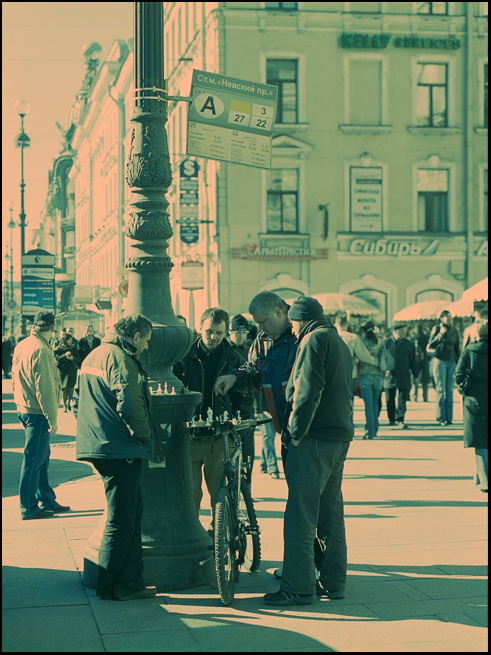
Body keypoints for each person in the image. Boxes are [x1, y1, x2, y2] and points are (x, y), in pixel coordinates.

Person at [263, 296, 354, 606]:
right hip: (337, 437)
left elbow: (308, 391)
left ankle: (298, 588)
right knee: (331, 514)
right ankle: (334, 583)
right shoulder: (337, 340)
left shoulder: (313, 340)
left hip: (314, 439)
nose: (292, 328)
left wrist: (295, 432)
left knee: (300, 517)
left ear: (301, 319)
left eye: (293, 322)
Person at [75, 314, 160, 601]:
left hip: (102, 444)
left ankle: (130, 582)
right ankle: (109, 585)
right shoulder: (120, 358)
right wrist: (144, 436)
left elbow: (78, 400)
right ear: (135, 337)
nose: (146, 347)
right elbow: (130, 403)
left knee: (131, 513)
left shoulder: (95, 355)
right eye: (146, 340)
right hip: (120, 447)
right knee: (122, 520)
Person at [173, 308, 252, 518]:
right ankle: (192, 533)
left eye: (219, 332)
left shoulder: (234, 359)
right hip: (190, 436)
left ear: (226, 332)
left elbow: (244, 400)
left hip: (220, 438)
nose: (213, 337)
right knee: (189, 496)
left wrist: (239, 432)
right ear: (199, 328)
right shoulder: (183, 356)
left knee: (220, 496)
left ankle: (218, 532)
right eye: (209, 331)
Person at [215, 291, 298, 474]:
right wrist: (234, 377)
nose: (261, 328)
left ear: (278, 312)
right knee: (296, 485)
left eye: (264, 321)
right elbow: (254, 372)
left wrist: (301, 429)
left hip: (307, 431)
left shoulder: (300, 334)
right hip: (287, 430)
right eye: (258, 323)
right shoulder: (263, 340)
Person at [11, 311, 70, 520]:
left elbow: (15, 378)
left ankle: (46, 499)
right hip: (37, 412)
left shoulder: (23, 345)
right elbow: (45, 389)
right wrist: (52, 418)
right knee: (34, 460)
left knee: (41, 457)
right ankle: (28, 507)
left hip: (25, 408)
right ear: (52, 328)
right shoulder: (42, 350)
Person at [455, 318, 488, 493]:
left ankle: (485, 481)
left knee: (480, 441)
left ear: (476, 333)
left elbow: (458, 375)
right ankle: (481, 475)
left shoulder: (469, 350)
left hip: (474, 400)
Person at [228, 314, 257, 478]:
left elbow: (257, 382)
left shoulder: (251, 351)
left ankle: (247, 484)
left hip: (247, 408)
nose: (239, 336)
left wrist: (259, 408)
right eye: (236, 333)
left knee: (247, 452)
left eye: (243, 333)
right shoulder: (226, 351)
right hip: (229, 407)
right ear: (230, 333)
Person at [334, 313, 379, 419]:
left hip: (333, 374)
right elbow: (364, 356)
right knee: (348, 403)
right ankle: (349, 425)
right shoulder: (352, 337)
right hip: (350, 374)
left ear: (336, 323)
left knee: (335, 403)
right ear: (347, 324)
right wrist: (377, 362)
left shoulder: (330, 335)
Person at [427, 310, 460, 426]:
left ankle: (449, 418)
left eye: (450, 316)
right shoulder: (436, 328)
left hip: (451, 361)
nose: (449, 318)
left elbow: (457, 347)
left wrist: (459, 363)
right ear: (441, 318)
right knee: (441, 389)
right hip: (440, 360)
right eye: (447, 317)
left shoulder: (454, 330)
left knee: (450, 390)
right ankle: (441, 417)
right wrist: (440, 334)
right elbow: (431, 343)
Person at [383, 322, 418, 429]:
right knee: (390, 398)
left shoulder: (409, 344)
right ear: (394, 332)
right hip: (390, 375)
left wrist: (416, 375)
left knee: (402, 398)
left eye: (404, 330)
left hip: (404, 374)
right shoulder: (387, 343)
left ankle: (400, 419)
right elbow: (382, 358)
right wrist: (385, 370)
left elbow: (413, 361)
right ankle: (391, 419)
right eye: (400, 331)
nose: (403, 333)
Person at [358, 321, 385, 440]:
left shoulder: (361, 342)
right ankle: (375, 429)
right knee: (375, 403)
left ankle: (369, 431)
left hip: (365, 376)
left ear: (363, 330)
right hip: (378, 376)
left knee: (368, 405)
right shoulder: (380, 341)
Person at [53, 333, 81, 412]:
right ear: (65, 340)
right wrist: (64, 355)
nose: (71, 341)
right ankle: (64, 404)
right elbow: (56, 358)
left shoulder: (73, 347)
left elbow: (79, 358)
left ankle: (69, 402)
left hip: (72, 370)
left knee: (71, 387)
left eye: (71, 339)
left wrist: (72, 358)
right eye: (69, 340)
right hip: (63, 370)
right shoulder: (58, 348)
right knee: (64, 388)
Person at [412, 324, 430, 402]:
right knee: (425, 379)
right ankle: (425, 397)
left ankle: (415, 396)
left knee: (415, 378)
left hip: (416, 360)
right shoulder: (427, 338)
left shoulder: (414, 338)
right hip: (425, 360)